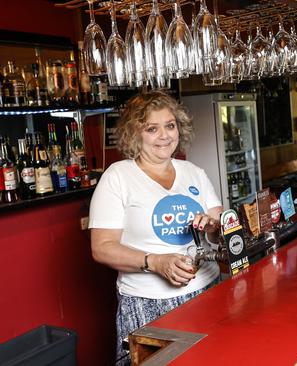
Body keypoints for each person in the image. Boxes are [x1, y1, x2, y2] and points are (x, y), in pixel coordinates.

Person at [89, 91, 223, 365]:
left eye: (170, 125)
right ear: (134, 134)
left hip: (207, 291)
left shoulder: (193, 172)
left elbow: (220, 227)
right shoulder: (118, 176)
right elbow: (102, 248)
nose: (164, 135)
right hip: (149, 302)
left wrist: (213, 225)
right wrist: (155, 262)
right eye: (152, 128)